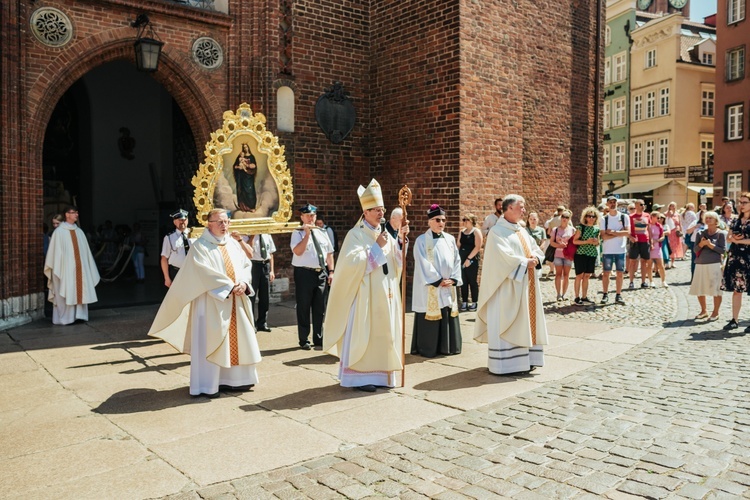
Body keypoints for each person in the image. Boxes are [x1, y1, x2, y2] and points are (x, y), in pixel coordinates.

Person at [148, 208, 261, 398]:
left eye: (226, 221)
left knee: (239, 337)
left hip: (236, 300)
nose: (223, 225)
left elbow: (245, 265)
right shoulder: (200, 246)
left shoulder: (233, 244)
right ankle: (209, 384)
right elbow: (202, 271)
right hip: (211, 301)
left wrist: (243, 283)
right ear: (208, 224)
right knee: (211, 339)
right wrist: (229, 286)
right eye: (218, 222)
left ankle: (238, 380)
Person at [323, 179, 410, 392]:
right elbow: (352, 265)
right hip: (365, 296)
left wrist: (400, 241)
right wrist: (377, 248)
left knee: (384, 334)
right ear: (366, 212)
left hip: (386, 294)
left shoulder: (385, 234)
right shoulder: (356, 234)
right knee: (366, 335)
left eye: (382, 210)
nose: (381, 213)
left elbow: (396, 262)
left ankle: (382, 375)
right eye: (376, 210)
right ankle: (360, 378)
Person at [474, 194, 548, 375]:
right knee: (509, 321)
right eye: (521, 207)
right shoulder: (497, 232)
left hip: (526, 285)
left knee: (526, 321)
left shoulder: (521, 230)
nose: (524, 210)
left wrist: (536, 258)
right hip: (506, 289)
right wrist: (524, 262)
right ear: (509, 209)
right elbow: (502, 259)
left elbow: (536, 249)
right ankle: (506, 365)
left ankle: (528, 360)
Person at [411, 204, 462, 357]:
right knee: (431, 314)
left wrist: (453, 278)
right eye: (437, 220)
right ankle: (429, 348)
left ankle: (448, 347)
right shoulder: (421, 241)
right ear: (429, 221)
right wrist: (437, 280)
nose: (441, 223)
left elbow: (456, 260)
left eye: (443, 220)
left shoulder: (450, 239)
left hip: (448, 284)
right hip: (432, 286)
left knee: (446, 311)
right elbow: (422, 263)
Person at [44, 206, 100, 325]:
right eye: (73, 212)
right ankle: (65, 318)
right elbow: (55, 254)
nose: (76, 215)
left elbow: (86, 253)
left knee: (80, 289)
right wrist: (61, 267)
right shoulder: (59, 232)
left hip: (80, 269)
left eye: (77, 212)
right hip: (65, 269)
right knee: (65, 291)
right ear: (67, 215)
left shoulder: (79, 232)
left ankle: (79, 315)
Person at [291, 203, 335, 349]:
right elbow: (297, 251)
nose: (311, 218)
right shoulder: (297, 233)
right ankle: (304, 339)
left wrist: (331, 271)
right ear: (302, 217)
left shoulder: (322, 232)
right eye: (308, 215)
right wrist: (307, 235)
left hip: (320, 273)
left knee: (319, 307)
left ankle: (318, 338)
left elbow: (329, 253)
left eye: (313, 215)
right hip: (304, 273)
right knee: (303, 307)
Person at [721, 193, 750, 331]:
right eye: (740, 202)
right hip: (736, 257)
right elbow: (728, 238)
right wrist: (734, 238)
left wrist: (738, 240)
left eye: (745, 202)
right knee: (737, 290)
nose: (741, 205)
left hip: (749, 258)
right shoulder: (735, 221)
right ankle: (734, 320)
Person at [690, 211, 726, 322]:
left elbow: (723, 251)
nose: (708, 219)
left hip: (714, 264)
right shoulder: (700, 233)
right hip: (700, 263)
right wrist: (701, 244)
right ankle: (703, 310)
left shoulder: (721, 234)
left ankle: (715, 312)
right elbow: (695, 249)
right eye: (707, 217)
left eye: (711, 218)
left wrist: (710, 245)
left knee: (716, 290)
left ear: (716, 221)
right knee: (699, 288)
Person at [599, 196, 629, 304]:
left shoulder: (624, 217)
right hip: (608, 250)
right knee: (606, 273)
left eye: (614, 202)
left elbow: (627, 233)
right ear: (607, 204)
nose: (613, 204)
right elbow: (603, 236)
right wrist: (618, 233)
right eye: (610, 202)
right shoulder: (604, 219)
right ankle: (605, 294)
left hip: (620, 250)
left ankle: (618, 294)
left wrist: (611, 232)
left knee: (620, 273)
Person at [572, 206, 600, 305]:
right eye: (589, 216)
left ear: (596, 218)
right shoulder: (581, 227)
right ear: (585, 217)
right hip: (581, 254)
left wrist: (596, 242)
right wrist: (586, 241)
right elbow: (575, 241)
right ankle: (576, 297)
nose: (591, 218)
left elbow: (598, 243)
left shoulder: (597, 229)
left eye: (593, 216)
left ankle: (584, 296)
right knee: (579, 275)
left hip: (592, 254)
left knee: (587, 276)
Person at [249, 233, 276, 332]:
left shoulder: (267, 235)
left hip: (265, 265)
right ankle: (252, 323)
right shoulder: (248, 235)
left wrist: (272, 270)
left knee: (265, 296)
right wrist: (252, 236)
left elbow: (271, 254)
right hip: (253, 265)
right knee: (251, 296)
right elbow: (247, 250)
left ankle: (262, 322)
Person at [160, 209, 194, 288]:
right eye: (179, 220)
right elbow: (164, 258)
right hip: (176, 272)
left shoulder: (194, 235)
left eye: (184, 220)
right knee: (178, 298)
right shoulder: (169, 238)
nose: (182, 222)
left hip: (193, 271)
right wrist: (167, 278)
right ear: (174, 222)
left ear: (187, 220)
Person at [457, 213, 483, 311]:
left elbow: (477, 246)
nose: (464, 222)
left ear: (471, 221)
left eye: (466, 220)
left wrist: (469, 259)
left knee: (472, 281)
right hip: (462, 258)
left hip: (472, 259)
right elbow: (458, 245)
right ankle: (464, 302)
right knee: (463, 281)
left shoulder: (476, 231)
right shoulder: (462, 232)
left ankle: (474, 302)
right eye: (463, 220)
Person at [549, 209, 575, 301]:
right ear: (561, 218)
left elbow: (574, 243)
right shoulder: (555, 230)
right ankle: (558, 294)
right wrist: (559, 245)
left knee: (566, 275)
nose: (564, 219)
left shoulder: (572, 230)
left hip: (568, 255)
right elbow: (551, 242)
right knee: (558, 274)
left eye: (567, 217)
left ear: (569, 219)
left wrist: (569, 246)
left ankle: (564, 294)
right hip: (558, 254)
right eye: (563, 217)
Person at [628, 199, 652, 289]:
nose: (643, 206)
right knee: (632, 261)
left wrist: (651, 241)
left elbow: (649, 229)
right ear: (636, 206)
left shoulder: (647, 215)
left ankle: (643, 281)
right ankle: (631, 281)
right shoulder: (631, 216)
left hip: (645, 241)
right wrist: (631, 237)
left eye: (644, 205)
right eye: (641, 204)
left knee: (644, 261)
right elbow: (628, 229)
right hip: (635, 242)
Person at [233, 143, 257, 212]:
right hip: (242, 177)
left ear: (248, 148)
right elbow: (235, 166)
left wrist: (247, 166)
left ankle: (251, 207)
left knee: (250, 191)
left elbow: (254, 166)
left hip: (249, 177)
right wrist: (238, 167)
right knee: (242, 191)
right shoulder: (240, 156)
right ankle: (243, 207)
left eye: (246, 147)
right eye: (244, 147)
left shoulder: (252, 157)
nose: (245, 149)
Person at [544, 206, 566, 277]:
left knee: (553, 256)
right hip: (563, 240)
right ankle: (561, 272)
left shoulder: (552, 220)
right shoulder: (565, 219)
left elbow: (549, 232)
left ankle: (552, 270)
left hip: (554, 241)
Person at [647, 211, 668, 288]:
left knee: (661, 265)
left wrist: (658, 240)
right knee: (649, 265)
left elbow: (663, 236)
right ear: (652, 217)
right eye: (657, 217)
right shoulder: (648, 226)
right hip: (649, 247)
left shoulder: (659, 226)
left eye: (660, 218)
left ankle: (663, 281)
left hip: (657, 247)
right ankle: (651, 281)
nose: (659, 219)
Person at [664, 202, 684, 267]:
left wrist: (681, 230)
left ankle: (672, 262)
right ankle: (666, 261)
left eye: (674, 206)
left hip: (676, 232)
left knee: (674, 247)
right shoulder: (665, 214)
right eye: (671, 206)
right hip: (668, 231)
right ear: (669, 206)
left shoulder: (677, 214)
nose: (673, 207)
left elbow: (679, 223)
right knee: (668, 246)